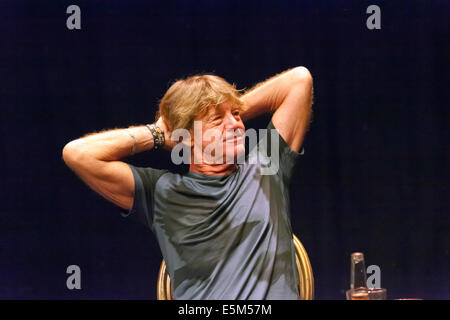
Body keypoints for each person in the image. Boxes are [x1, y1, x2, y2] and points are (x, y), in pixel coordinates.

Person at [62, 67, 313, 299]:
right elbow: (78, 154)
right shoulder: (162, 192)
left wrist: (226, 106)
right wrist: (158, 134)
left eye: (237, 115)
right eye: (216, 120)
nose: (237, 124)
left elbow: (299, 80)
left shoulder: (265, 167)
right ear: (187, 137)